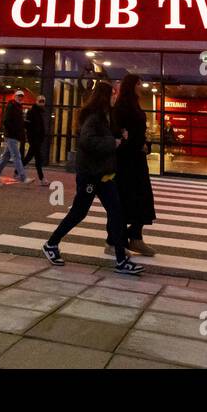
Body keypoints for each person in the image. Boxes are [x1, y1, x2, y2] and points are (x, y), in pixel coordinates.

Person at [41, 82, 144, 275]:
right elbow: (87, 141)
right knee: (79, 213)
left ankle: (121, 261)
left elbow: (102, 138)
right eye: (113, 94)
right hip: (91, 174)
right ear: (105, 96)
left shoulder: (105, 117)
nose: (115, 97)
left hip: (104, 175)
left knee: (116, 213)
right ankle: (51, 244)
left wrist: (119, 135)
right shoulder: (94, 117)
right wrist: (112, 142)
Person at [111, 73, 156, 256]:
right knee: (124, 199)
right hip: (126, 161)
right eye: (139, 84)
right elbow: (119, 133)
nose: (141, 87)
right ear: (132, 85)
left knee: (143, 199)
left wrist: (145, 145)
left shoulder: (134, 104)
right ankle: (118, 240)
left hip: (137, 159)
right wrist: (135, 144)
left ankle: (135, 236)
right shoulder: (122, 106)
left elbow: (137, 132)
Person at [0, 88, 31, 185]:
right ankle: (23, 177)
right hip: (12, 136)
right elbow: (7, 121)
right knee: (16, 156)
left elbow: (15, 122)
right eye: (19, 96)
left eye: (21, 96)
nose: (20, 98)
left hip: (12, 135)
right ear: (15, 96)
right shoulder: (12, 106)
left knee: (5, 157)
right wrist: (13, 131)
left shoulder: (17, 107)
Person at [22, 95, 49, 183]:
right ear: (36, 101)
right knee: (36, 159)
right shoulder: (32, 112)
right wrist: (31, 138)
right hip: (34, 139)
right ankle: (42, 179)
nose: (42, 103)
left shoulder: (41, 112)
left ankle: (17, 171)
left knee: (31, 157)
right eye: (40, 101)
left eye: (43, 101)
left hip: (37, 139)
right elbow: (28, 126)